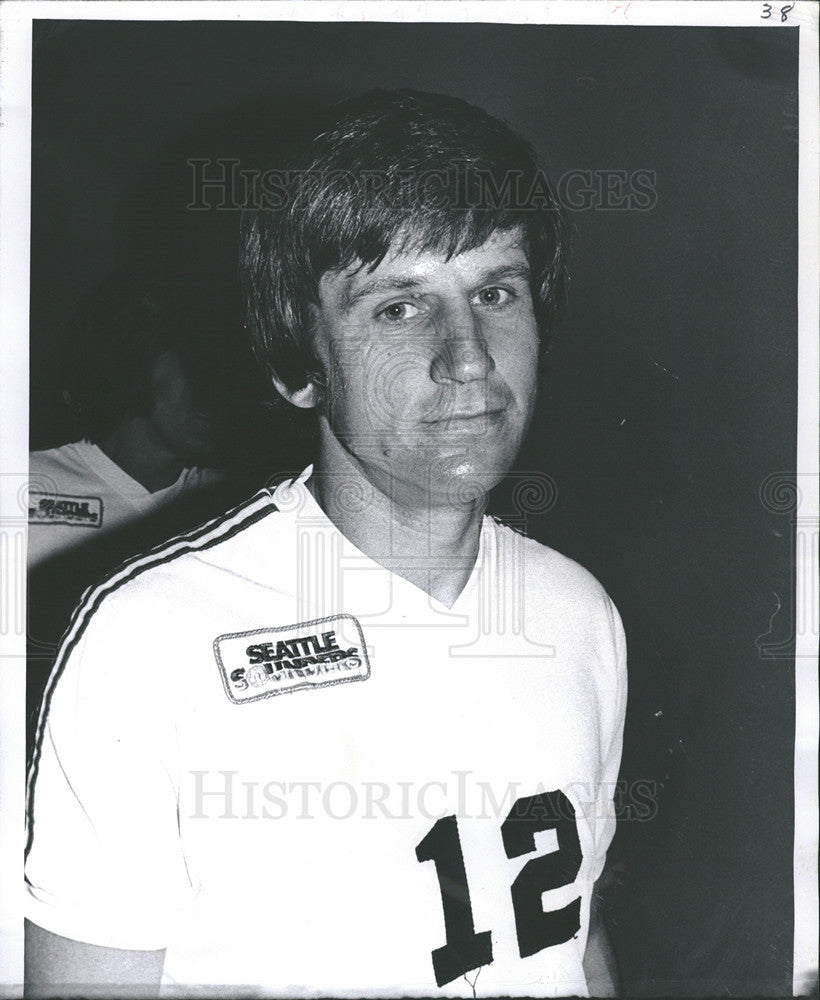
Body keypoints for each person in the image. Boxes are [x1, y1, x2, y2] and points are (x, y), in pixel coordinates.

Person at [24, 89, 627, 998]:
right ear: (296, 367)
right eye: (398, 308)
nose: (468, 356)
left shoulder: (579, 613)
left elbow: (571, 939)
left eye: (496, 293)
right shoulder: (149, 641)